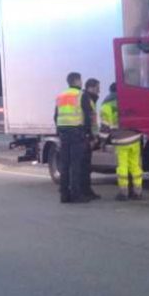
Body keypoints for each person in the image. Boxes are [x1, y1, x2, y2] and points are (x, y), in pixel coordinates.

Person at [101, 83, 143, 201]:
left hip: (121, 140)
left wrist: (102, 141)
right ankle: (138, 192)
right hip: (135, 138)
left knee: (122, 167)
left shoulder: (107, 104)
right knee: (135, 166)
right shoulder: (130, 100)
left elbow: (105, 126)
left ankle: (123, 193)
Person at [54, 72, 88, 203]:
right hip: (76, 132)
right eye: (80, 80)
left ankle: (64, 195)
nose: (81, 82)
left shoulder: (60, 96)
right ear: (77, 81)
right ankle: (76, 195)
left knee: (65, 164)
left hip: (64, 132)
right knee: (76, 164)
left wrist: (59, 129)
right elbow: (87, 115)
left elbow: (56, 116)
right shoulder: (81, 95)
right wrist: (88, 132)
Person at [81, 78, 101, 200]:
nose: (99, 90)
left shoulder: (90, 99)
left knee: (86, 166)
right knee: (84, 166)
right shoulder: (86, 99)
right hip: (85, 137)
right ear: (91, 87)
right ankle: (84, 191)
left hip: (85, 136)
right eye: (98, 87)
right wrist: (92, 137)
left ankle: (87, 191)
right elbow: (88, 120)